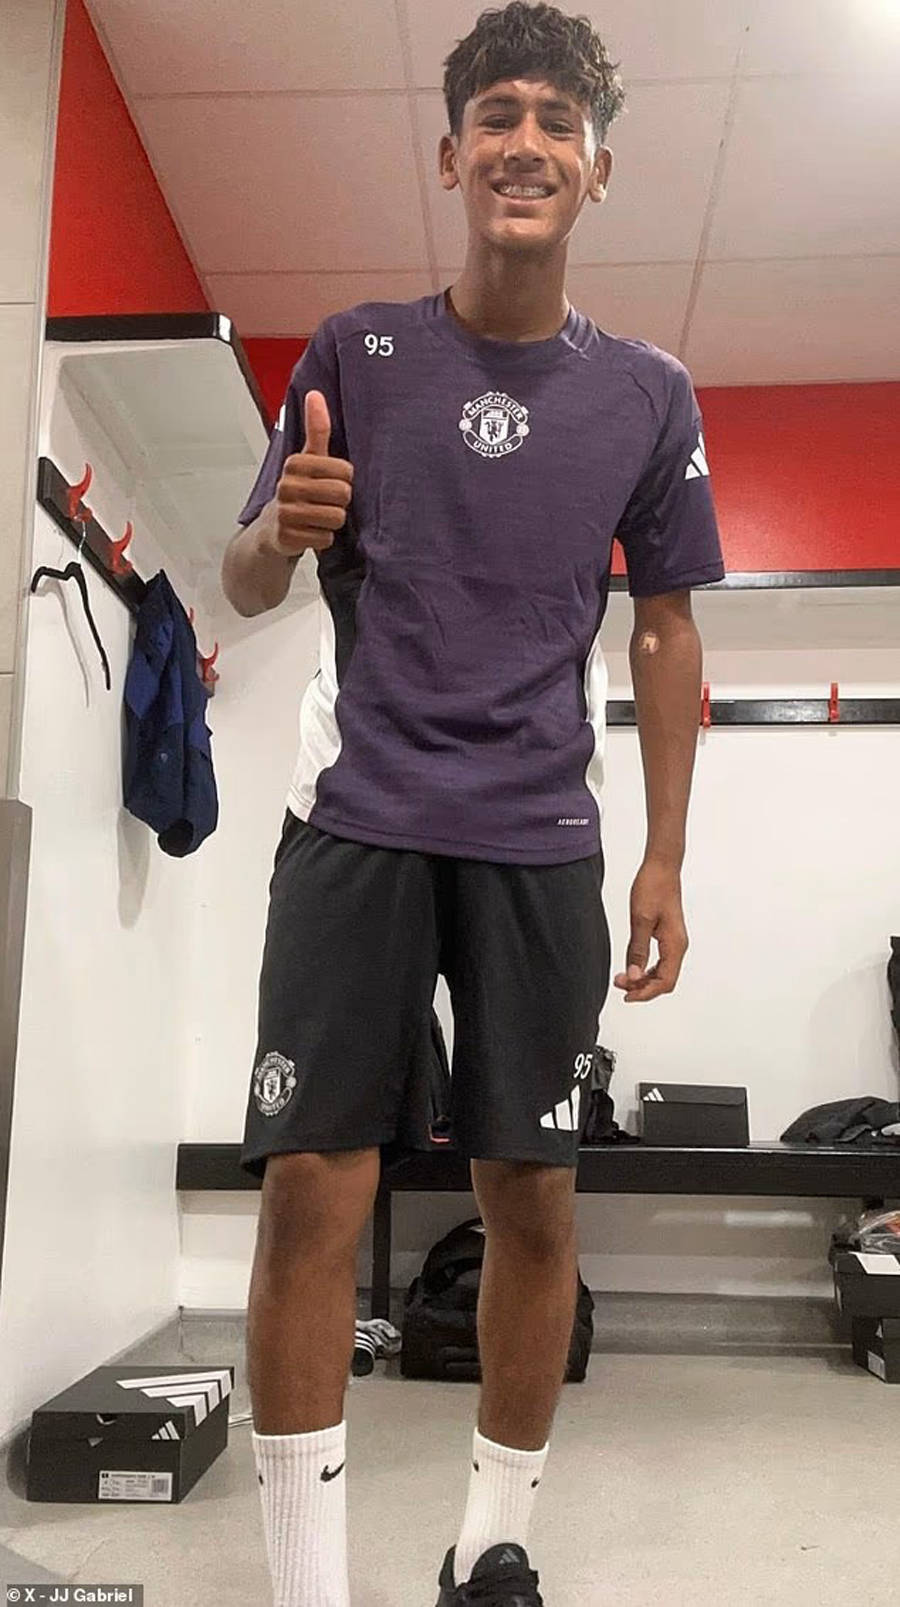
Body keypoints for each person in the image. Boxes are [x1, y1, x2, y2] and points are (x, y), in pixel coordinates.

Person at [221, 2, 725, 1602]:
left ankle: (490, 1548)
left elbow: (666, 631)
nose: (525, 143)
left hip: (539, 841)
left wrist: (665, 857)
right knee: (314, 1188)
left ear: (597, 168)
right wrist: (282, 531)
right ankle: (308, 1586)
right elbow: (244, 578)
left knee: (536, 1198)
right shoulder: (355, 355)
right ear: (451, 156)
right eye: (497, 116)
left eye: (557, 122)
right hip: (356, 817)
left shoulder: (649, 392)